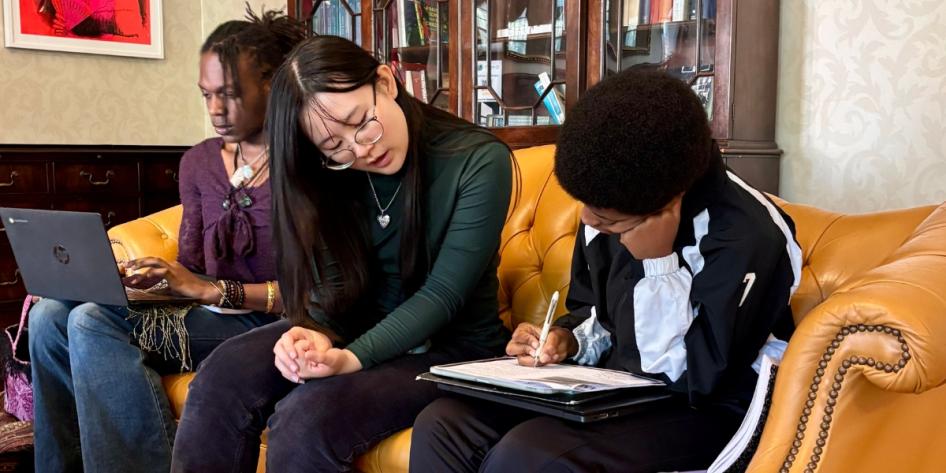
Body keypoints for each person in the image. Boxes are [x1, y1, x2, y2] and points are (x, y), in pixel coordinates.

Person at [409, 70, 802, 472]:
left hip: (712, 410)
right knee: (446, 424)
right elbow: (592, 310)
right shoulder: (613, 196)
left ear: (665, 204)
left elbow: (693, 377)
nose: (587, 220)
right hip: (621, 390)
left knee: (533, 454)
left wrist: (658, 263)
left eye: (606, 219)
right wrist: (567, 340)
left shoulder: (747, 236)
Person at [169, 35, 515, 472]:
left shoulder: (478, 160)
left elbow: (443, 296)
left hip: (451, 348)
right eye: (335, 147)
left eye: (362, 121)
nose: (362, 148)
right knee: (223, 375)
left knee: (306, 418)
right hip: (356, 327)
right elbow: (332, 283)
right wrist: (315, 331)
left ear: (386, 82)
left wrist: (350, 357)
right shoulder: (330, 172)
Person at [27, 8, 305, 473]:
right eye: (207, 95)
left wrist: (211, 290)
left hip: (265, 319)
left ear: (272, 86)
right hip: (204, 309)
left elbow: (318, 293)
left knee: (92, 322)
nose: (216, 109)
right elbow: (194, 265)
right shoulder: (199, 162)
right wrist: (149, 281)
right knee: (49, 316)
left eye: (231, 95)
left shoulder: (306, 164)